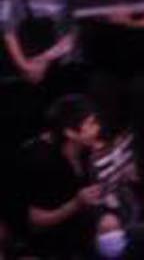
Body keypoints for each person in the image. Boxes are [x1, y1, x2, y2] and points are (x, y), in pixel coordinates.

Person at [24, 94, 107, 257]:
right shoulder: (40, 162)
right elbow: (35, 222)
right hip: (54, 244)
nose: (98, 128)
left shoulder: (86, 147)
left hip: (83, 229)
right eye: (91, 124)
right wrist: (76, 204)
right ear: (70, 132)